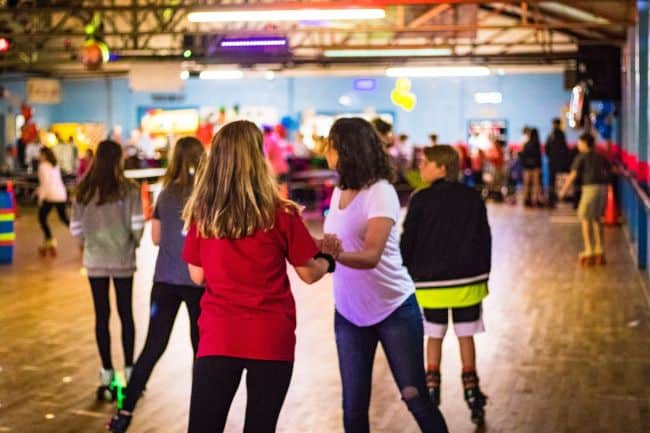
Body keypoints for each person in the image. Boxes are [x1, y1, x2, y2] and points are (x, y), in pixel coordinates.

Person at [181, 120, 336, 433]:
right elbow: (308, 273)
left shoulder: (204, 214)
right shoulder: (281, 213)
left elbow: (197, 275)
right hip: (270, 336)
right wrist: (329, 259)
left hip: (219, 336)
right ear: (257, 157)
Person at [320, 118, 448, 433]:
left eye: (330, 144)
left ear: (346, 150)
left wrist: (327, 253)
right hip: (349, 312)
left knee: (414, 396)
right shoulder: (338, 192)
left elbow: (370, 255)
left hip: (393, 309)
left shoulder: (380, 192)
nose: (326, 150)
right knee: (353, 406)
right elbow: (332, 251)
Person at [107, 137, 206, 433]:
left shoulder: (165, 194)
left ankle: (125, 412)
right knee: (201, 350)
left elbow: (156, 238)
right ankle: (202, 418)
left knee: (153, 347)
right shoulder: (209, 195)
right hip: (199, 282)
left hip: (164, 281)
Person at [400, 145, 491, 426]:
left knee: (434, 337)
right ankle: (473, 393)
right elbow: (484, 237)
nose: (421, 168)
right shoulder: (472, 197)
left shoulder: (420, 199)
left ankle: (431, 389)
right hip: (468, 282)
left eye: (426, 163)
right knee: (466, 337)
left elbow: (408, 240)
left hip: (430, 284)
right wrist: (483, 274)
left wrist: (408, 271)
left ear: (442, 167)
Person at [70, 140, 144, 402]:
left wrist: (88, 246)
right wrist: (131, 244)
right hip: (123, 260)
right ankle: (130, 372)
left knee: (102, 316)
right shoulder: (130, 190)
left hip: (95, 261)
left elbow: (76, 230)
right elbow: (137, 226)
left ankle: (106, 375)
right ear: (118, 160)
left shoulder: (82, 192)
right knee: (126, 314)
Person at [559, 132, 611, 266]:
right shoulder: (600, 156)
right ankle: (600, 250)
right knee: (597, 218)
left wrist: (563, 190)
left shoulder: (581, 157)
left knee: (585, 218)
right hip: (603, 189)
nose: (578, 144)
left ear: (585, 143)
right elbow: (611, 169)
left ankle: (589, 251)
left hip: (590, 189)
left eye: (579, 142)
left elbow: (573, 175)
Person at [36, 146, 69, 257]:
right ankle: (82, 235)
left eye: (40, 154)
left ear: (44, 155)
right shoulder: (55, 165)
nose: (38, 156)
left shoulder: (42, 166)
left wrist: (40, 198)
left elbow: (45, 184)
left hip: (50, 195)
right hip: (61, 194)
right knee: (64, 218)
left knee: (42, 217)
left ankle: (50, 240)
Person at [545, 118, 570, 207]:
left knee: (556, 180)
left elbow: (562, 149)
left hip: (556, 162)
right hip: (554, 162)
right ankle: (553, 197)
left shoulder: (556, 135)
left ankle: (555, 197)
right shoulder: (553, 135)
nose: (554, 126)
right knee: (553, 180)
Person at [520, 127, 542, 207]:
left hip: (527, 168)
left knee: (526, 185)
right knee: (535, 185)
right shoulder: (537, 145)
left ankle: (526, 200)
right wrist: (540, 167)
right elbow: (539, 157)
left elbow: (523, 156)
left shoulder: (526, 144)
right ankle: (534, 200)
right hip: (535, 167)